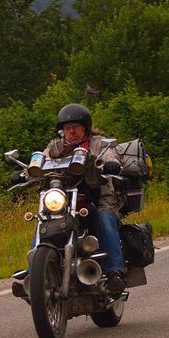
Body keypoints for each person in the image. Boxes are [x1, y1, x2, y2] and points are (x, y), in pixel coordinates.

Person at [44, 103, 126, 294]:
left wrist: (111, 164)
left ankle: (115, 273)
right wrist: (25, 172)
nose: (71, 132)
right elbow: (41, 160)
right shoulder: (55, 147)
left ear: (86, 128)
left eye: (75, 127)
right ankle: (34, 273)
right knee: (43, 220)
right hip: (64, 201)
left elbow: (111, 156)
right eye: (66, 128)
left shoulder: (99, 144)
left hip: (100, 199)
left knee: (105, 218)